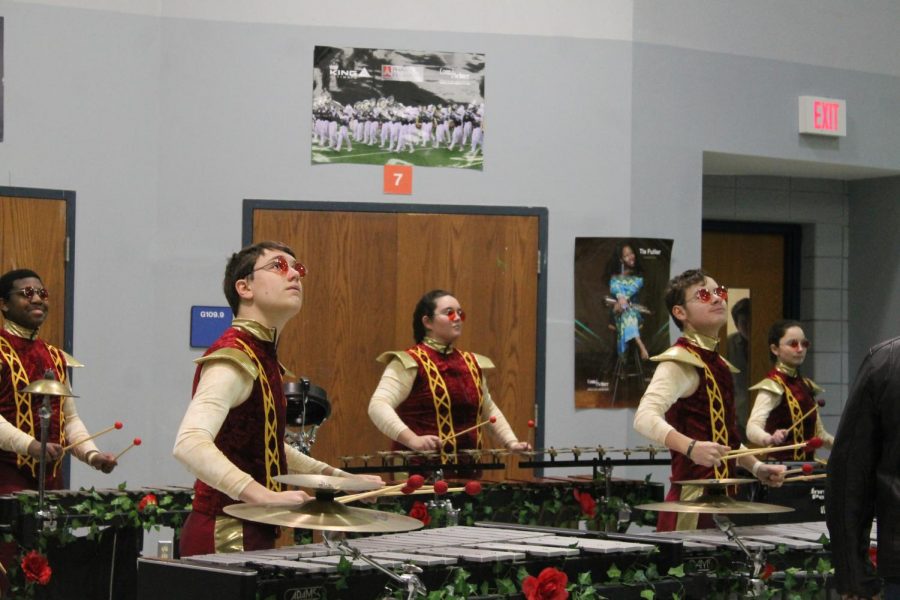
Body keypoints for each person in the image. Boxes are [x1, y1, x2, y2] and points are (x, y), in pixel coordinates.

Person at [173, 241, 382, 556]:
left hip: (250, 528)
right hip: (225, 532)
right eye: (278, 266)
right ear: (244, 287)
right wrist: (261, 495)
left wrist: (336, 478)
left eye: (298, 268)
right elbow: (189, 443)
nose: (295, 275)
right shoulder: (234, 356)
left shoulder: (261, 356)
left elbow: (264, 443)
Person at [633, 269, 785, 531]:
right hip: (690, 506)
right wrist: (691, 447)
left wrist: (756, 467)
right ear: (680, 313)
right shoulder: (680, 361)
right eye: (704, 294)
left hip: (723, 501)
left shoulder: (719, 365)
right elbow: (644, 417)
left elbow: (726, 437)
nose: (717, 299)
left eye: (719, 292)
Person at [0, 268, 118, 591]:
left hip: (52, 485)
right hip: (6, 480)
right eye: (26, 294)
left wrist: (91, 455)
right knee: (10, 578)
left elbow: (69, 419)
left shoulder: (53, 356)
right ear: (4, 305)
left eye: (41, 293)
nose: (37, 298)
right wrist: (30, 445)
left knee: (51, 577)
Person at [368, 289, 531, 474]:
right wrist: (413, 440)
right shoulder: (409, 361)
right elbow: (378, 405)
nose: (457, 318)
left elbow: (488, 410)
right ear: (427, 321)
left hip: (468, 474)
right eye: (449, 312)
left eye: (460, 313)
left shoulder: (471, 363)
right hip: (418, 475)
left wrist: (512, 442)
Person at [826, 336, 900, 600]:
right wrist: (854, 576)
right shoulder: (886, 363)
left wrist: (854, 575)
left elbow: (849, 475)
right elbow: (850, 476)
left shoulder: (885, 361)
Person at [745, 320, 833, 459]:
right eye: (793, 344)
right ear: (775, 349)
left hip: (806, 470)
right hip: (781, 473)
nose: (800, 349)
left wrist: (845, 446)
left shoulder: (806, 385)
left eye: (804, 344)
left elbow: (820, 435)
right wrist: (769, 438)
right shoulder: (773, 385)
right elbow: (752, 427)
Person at [606, 243, 649, 361]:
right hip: (617, 314)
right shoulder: (614, 279)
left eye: (632, 253)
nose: (631, 257)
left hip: (634, 313)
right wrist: (620, 302)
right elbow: (619, 295)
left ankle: (638, 346)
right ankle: (641, 345)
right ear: (621, 259)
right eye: (626, 255)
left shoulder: (638, 279)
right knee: (624, 311)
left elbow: (627, 296)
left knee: (627, 313)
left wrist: (620, 302)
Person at [726, 298, 751, 438]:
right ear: (736, 324)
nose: (748, 326)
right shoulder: (728, 344)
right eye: (744, 323)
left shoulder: (769, 343)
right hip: (738, 412)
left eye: (751, 321)